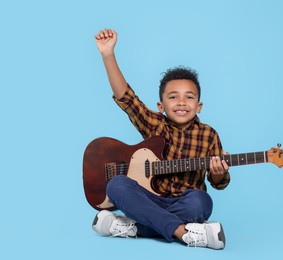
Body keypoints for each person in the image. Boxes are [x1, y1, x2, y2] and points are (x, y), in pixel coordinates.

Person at [92, 29, 231, 250]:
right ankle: (183, 232)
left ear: (199, 106)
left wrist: (219, 173)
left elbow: (219, 183)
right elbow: (126, 99)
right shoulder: (155, 125)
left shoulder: (209, 135)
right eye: (173, 97)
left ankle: (135, 226)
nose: (182, 102)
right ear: (161, 106)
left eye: (190, 97)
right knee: (117, 185)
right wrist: (108, 54)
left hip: (183, 205)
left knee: (202, 202)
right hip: (148, 199)